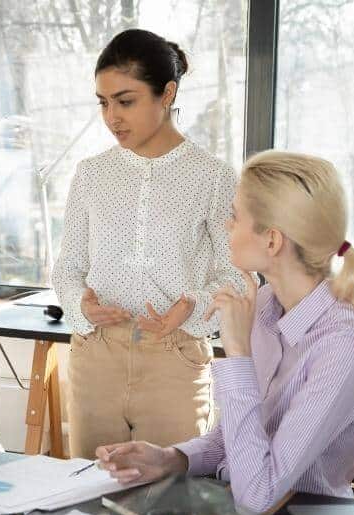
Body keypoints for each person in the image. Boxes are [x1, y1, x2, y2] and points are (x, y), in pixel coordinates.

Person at [95, 151, 354, 513]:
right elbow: (236, 438)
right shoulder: (264, 304)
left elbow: (259, 494)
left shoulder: (344, 344)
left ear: (272, 241)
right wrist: (172, 458)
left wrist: (237, 353)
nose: (226, 226)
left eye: (234, 217)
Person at [51, 29, 246, 459]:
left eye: (125, 101)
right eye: (103, 103)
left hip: (174, 360)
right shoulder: (91, 173)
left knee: (170, 512)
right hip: (95, 356)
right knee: (92, 497)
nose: (111, 117)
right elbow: (67, 267)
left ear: (167, 93)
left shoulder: (212, 177)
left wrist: (193, 303)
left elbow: (238, 275)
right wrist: (80, 304)